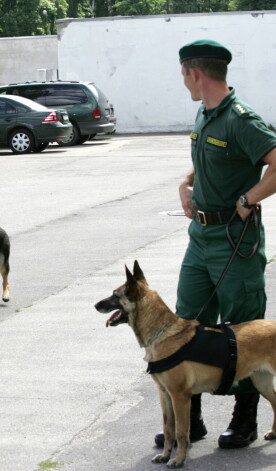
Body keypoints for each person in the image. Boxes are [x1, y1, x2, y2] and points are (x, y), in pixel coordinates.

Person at [154, 39, 276, 450]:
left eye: (183, 74)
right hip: (201, 238)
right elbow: (207, 159)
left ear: (194, 72)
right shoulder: (206, 113)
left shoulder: (242, 119)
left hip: (234, 241)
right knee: (189, 321)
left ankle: (244, 422)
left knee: (243, 330)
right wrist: (186, 182)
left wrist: (249, 198)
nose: (183, 81)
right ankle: (193, 419)